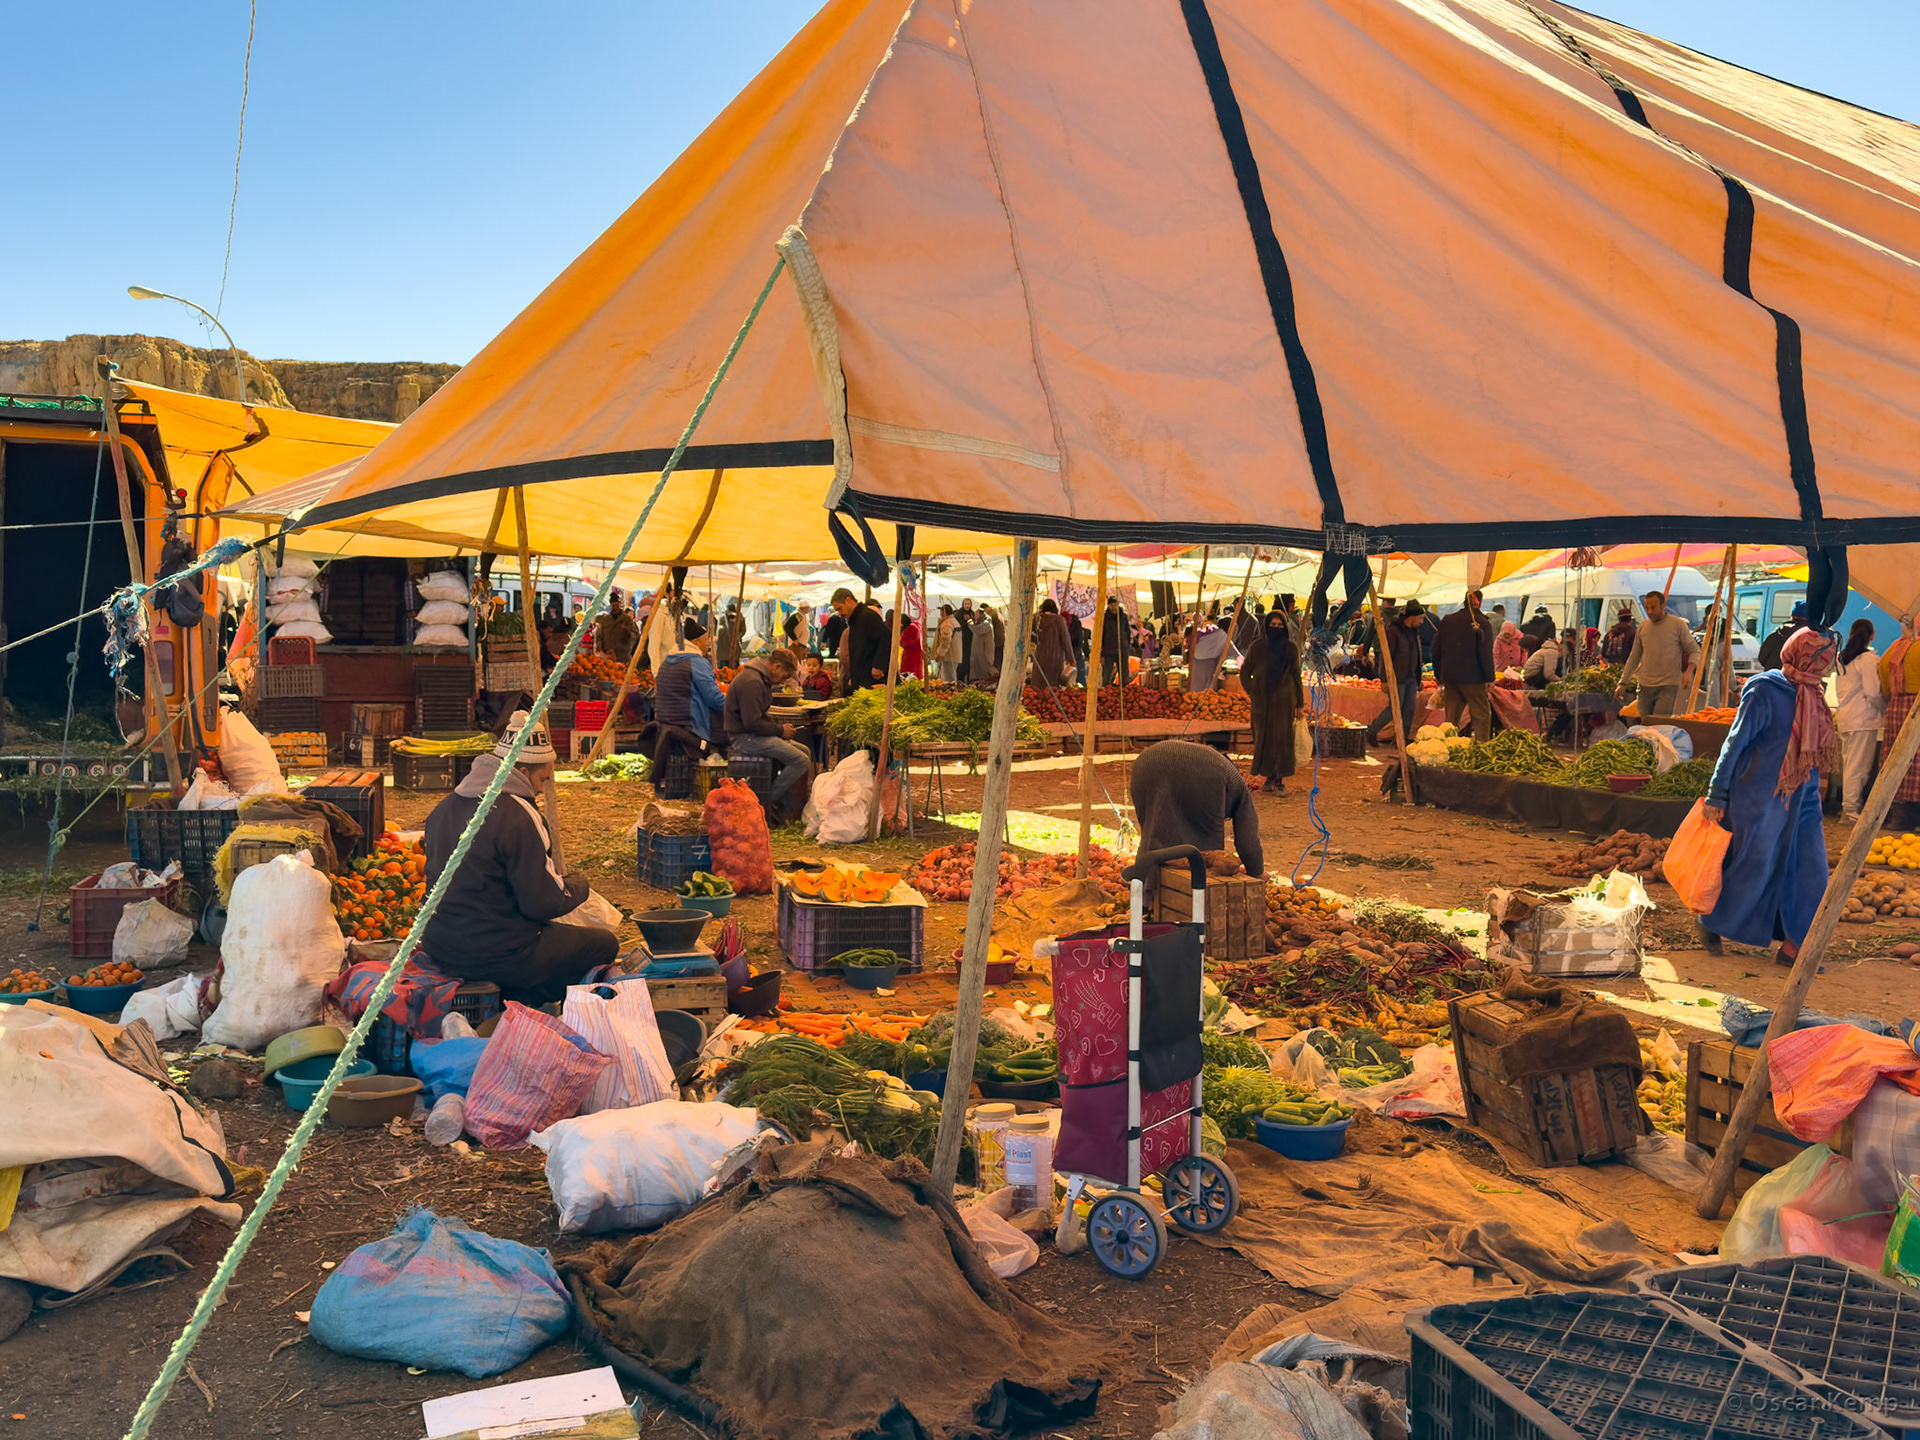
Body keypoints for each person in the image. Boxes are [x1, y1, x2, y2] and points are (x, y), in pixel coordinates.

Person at [419, 712, 617, 1006]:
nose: (541, 788)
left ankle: (509, 999)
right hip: (494, 954)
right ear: (522, 772)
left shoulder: (445, 807)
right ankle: (523, 1001)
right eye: (542, 779)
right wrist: (579, 885)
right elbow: (543, 903)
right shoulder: (519, 814)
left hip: (440, 946)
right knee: (602, 943)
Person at [1698, 629, 1838, 963]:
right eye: (1824, 658)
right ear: (1804, 657)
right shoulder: (1764, 689)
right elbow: (1735, 742)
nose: (1830, 665)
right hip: (1758, 796)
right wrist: (1717, 793)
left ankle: (1795, 945)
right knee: (1755, 866)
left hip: (1803, 794)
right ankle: (1710, 919)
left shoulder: (1814, 693)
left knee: (1813, 869)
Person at [1129, 740, 1264, 877]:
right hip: (1206, 771)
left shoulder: (1218, 765)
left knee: (1153, 830)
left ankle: (1146, 879)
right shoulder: (1236, 781)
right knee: (1206, 851)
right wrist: (1257, 871)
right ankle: (1198, 885)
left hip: (1145, 763)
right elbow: (1248, 840)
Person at [724, 648, 811, 814]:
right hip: (744, 738)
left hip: (752, 734)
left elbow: (758, 717)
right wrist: (780, 730)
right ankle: (766, 802)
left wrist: (778, 728)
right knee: (800, 760)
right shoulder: (753, 682)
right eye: (785, 675)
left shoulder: (759, 679)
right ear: (777, 667)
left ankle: (788, 807)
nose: (784, 680)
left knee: (804, 751)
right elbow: (751, 723)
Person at [1242, 608, 1304, 793]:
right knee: (1264, 738)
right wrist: (1253, 690)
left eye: (1279, 625)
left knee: (1282, 739)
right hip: (1262, 702)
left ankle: (1279, 779)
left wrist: (1300, 703)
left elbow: (1297, 676)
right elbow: (1245, 671)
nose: (1276, 628)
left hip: (1285, 701)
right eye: (1273, 625)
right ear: (1266, 626)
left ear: (1285, 627)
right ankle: (1269, 776)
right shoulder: (1257, 647)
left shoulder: (1290, 648)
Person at [1616, 590, 1699, 718]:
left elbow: (1694, 650)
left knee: (1659, 722)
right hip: (1644, 685)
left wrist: (1689, 671)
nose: (1650, 611)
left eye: (1653, 607)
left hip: (1668, 685)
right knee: (1645, 723)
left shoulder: (1677, 625)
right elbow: (1634, 656)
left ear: (1663, 605)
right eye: (1647, 607)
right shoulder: (1643, 627)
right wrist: (1623, 683)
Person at [1836, 619, 1885, 820]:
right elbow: (1873, 692)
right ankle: (1850, 810)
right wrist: (1884, 709)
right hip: (1864, 718)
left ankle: (1848, 807)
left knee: (1850, 764)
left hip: (1845, 717)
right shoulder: (1868, 659)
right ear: (1872, 636)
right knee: (1859, 767)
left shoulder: (1842, 658)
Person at [1432, 590, 1496, 739]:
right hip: (1474, 678)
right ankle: (1481, 747)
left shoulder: (1447, 620)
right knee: (1481, 715)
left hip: (1450, 676)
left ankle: (1449, 746)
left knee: (1451, 719)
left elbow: (1436, 649)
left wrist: (1438, 673)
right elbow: (1485, 653)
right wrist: (1489, 677)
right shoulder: (1482, 623)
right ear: (1479, 602)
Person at [655, 619, 727, 749]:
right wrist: (735, 706)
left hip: (665, 723)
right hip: (690, 728)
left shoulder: (666, 662)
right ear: (695, 642)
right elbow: (713, 698)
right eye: (705, 641)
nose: (707, 645)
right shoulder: (696, 662)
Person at [1364, 600, 1426, 746]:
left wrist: (1418, 678)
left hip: (1411, 678)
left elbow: (1417, 655)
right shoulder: (1393, 631)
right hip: (1397, 678)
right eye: (1420, 618)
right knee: (1394, 709)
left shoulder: (1414, 632)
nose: (1422, 622)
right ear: (1412, 617)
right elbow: (1386, 657)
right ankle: (1372, 730)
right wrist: (1384, 680)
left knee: (1409, 710)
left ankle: (1402, 740)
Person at [831, 587, 889, 694]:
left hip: (872, 678)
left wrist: (878, 666)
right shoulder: (855, 620)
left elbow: (885, 637)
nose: (839, 613)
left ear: (848, 600)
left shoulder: (868, 616)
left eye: (840, 608)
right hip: (861, 677)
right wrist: (854, 676)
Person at [1758, 601, 1808, 672]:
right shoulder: (1813, 637)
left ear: (1792, 616)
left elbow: (1762, 658)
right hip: (1800, 677)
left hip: (1774, 676)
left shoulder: (1777, 633)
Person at [1031, 598, 1072, 686]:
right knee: (1052, 687)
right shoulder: (1059, 620)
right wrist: (1071, 658)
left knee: (1039, 686)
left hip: (1040, 657)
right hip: (1055, 658)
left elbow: (1032, 636)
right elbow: (1066, 639)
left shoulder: (1038, 620)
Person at [594, 590, 641, 665]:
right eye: (613, 606)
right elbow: (599, 635)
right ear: (610, 606)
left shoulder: (627, 619)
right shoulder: (605, 620)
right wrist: (599, 643)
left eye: (617, 605)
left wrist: (627, 631)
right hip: (608, 656)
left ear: (619, 605)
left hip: (623, 656)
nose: (615, 608)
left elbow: (635, 635)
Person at [1188, 617, 1229, 691]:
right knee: (1206, 689)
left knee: (1196, 688)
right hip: (1209, 664)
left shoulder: (1211, 633)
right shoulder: (1222, 635)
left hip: (1197, 664)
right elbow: (1232, 652)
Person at [1101, 595, 1131, 684]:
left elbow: (1127, 633)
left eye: (1115, 605)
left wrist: (1127, 646)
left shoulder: (1123, 617)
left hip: (1122, 650)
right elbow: (1102, 634)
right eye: (1111, 605)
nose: (1113, 607)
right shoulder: (1104, 617)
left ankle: (1124, 690)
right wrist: (1101, 652)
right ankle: (1106, 690)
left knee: (1124, 677)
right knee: (1106, 676)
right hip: (1108, 650)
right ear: (1108, 606)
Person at [971, 603, 999, 681]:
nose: (974, 616)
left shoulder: (987, 622)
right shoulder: (980, 622)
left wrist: (970, 624)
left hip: (985, 652)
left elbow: (980, 630)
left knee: (987, 668)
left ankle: (996, 677)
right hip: (979, 652)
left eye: (975, 614)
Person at [934, 604, 961, 683]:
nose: (940, 613)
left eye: (941, 611)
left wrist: (939, 653)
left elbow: (945, 640)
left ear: (944, 613)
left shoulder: (947, 624)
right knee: (952, 678)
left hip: (949, 655)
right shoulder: (955, 622)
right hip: (955, 655)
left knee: (948, 681)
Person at [716, 600, 745, 670]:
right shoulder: (723, 619)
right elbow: (719, 631)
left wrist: (738, 637)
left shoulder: (740, 618)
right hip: (724, 647)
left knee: (734, 666)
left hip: (735, 646)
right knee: (724, 668)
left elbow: (743, 630)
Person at [900, 614, 925, 680]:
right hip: (914, 653)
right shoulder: (915, 626)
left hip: (911, 654)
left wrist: (901, 641)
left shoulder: (912, 628)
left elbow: (910, 640)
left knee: (910, 674)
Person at [957, 599, 976, 682]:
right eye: (966, 604)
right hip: (962, 639)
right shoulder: (959, 614)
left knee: (969, 660)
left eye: (969, 604)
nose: (967, 606)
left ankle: (968, 678)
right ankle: (960, 678)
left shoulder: (972, 613)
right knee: (962, 660)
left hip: (971, 640)